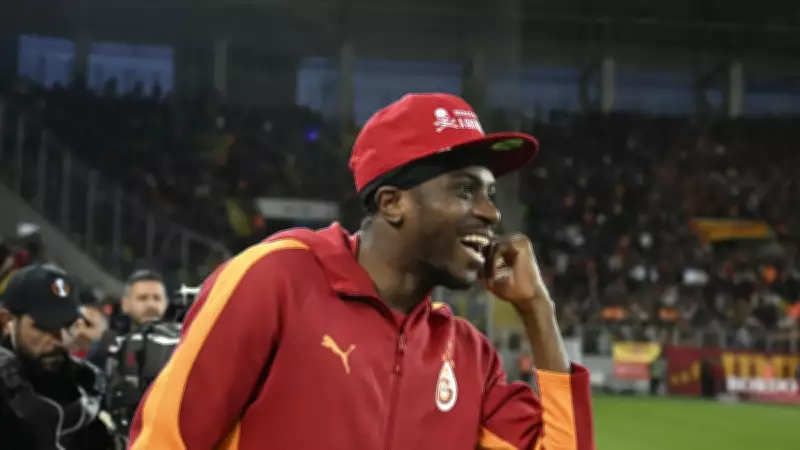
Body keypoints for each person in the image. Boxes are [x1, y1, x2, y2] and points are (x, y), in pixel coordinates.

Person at [129, 93, 595, 449]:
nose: (491, 214)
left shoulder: (470, 357)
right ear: (392, 203)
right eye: (464, 190)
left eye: (490, 194)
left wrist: (539, 311)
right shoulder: (276, 280)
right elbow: (165, 441)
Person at [0, 264, 118, 450]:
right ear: (7, 321)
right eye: (45, 326)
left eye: (67, 325)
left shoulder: (86, 386)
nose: (60, 339)